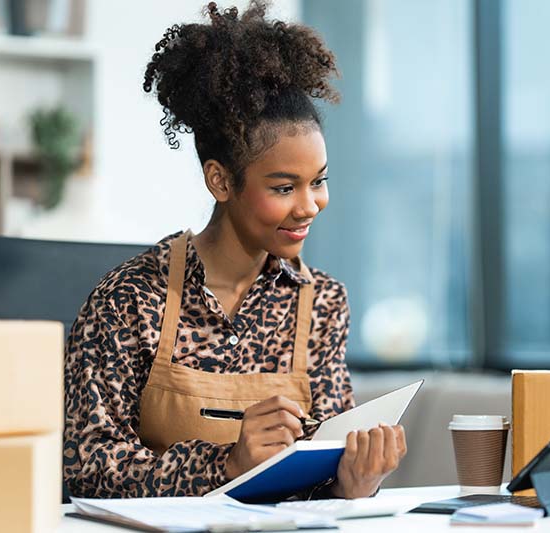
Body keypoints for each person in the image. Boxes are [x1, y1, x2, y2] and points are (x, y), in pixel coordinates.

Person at [63, 1, 407, 499]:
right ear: (220, 180)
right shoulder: (129, 300)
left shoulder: (323, 303)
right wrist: (227, 463)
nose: (310, 206)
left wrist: (353, 482)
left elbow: (324, 471)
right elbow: (89, 468)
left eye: (319, 181)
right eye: (285, 187)